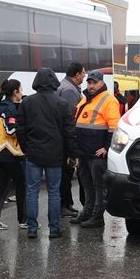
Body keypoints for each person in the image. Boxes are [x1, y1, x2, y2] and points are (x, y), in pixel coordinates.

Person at [17, 67, 75, 239]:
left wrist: (26, 148)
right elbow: (69, 132)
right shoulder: (62, 104)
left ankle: (32, 228)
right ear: (53, 82)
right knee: (54, 192)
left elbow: (20, 130)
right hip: (55, 155)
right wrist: (72, 154)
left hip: (33, 154)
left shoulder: (27, 103)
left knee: (32, 191)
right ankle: (54, 228)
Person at [71, 70, 120, 229]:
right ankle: (88, 211)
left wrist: (106, 148)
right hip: (84, 152)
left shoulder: (109, 100)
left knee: (99, 186)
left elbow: (114, 128)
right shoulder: (86, 99)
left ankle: (97, 216)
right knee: (86, 184)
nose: (91, 85)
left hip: (96, 153)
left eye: (94, 82)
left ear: (101, 83)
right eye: (89, 82)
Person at [0, 79, 26, 231]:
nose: (22, 93)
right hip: (11, 154)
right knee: (22, 184)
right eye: (20, 91)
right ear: (15, 92)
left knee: (3, 186)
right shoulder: (10, 109)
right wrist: (25, 128)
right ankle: (24, 220)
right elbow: (11, 130)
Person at [57, 62, 86, 217]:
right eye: (83, 73)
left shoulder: (64, 86)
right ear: (76, 75)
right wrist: (73, 145)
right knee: (66, 174)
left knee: (65, 173)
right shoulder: (69, 91)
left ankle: (67, 204)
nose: (84, 76)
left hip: (62, 139)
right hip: (66, 139)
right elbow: (71, 119)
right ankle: (64, 206)